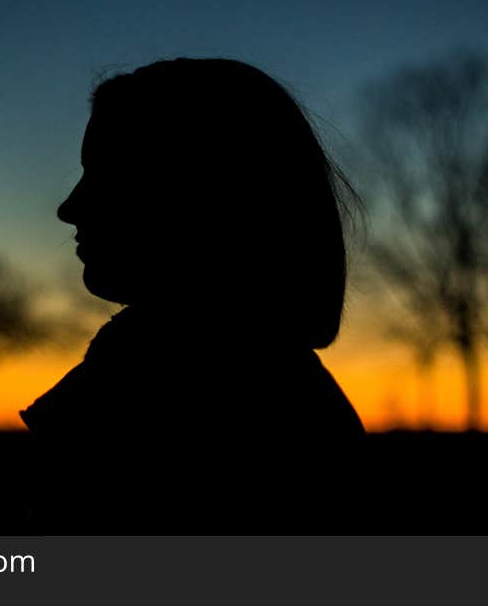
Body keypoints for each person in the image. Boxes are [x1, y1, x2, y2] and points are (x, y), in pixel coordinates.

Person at [21, 58, 365, 530]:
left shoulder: (189, 416)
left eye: (111, 173)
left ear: (201, 193)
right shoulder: (169, 386)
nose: (69, 207)